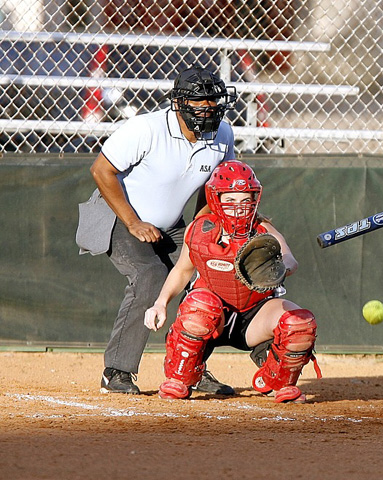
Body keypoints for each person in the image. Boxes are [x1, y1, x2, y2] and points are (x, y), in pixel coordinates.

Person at [80, 65, 238, 395]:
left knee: (209, 273)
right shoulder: (147, 128)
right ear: (179, 104)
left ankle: (190, 366)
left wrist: (201, 234)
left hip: (172, 225)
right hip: (119, 216)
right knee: (150, 276)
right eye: (199, 102)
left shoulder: (222, 134)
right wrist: (134, 223)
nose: (208, 109)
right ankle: (116, 371)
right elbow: (101, 170)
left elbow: (214, 190)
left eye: (213, 101)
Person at [143, 160, 322, 403]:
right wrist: (161, 303)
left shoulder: (263, 229)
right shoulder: (199, 230)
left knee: (299, 324)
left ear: (254, 199)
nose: (238, 208)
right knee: (200, 307)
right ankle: (180, 378)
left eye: (244, 200)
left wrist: (282, 267)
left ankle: (279, 380)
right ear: (216, 200)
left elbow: (290, 258)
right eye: (230, 201)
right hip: (213, 317)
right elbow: (182, 271)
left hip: (253, 316)